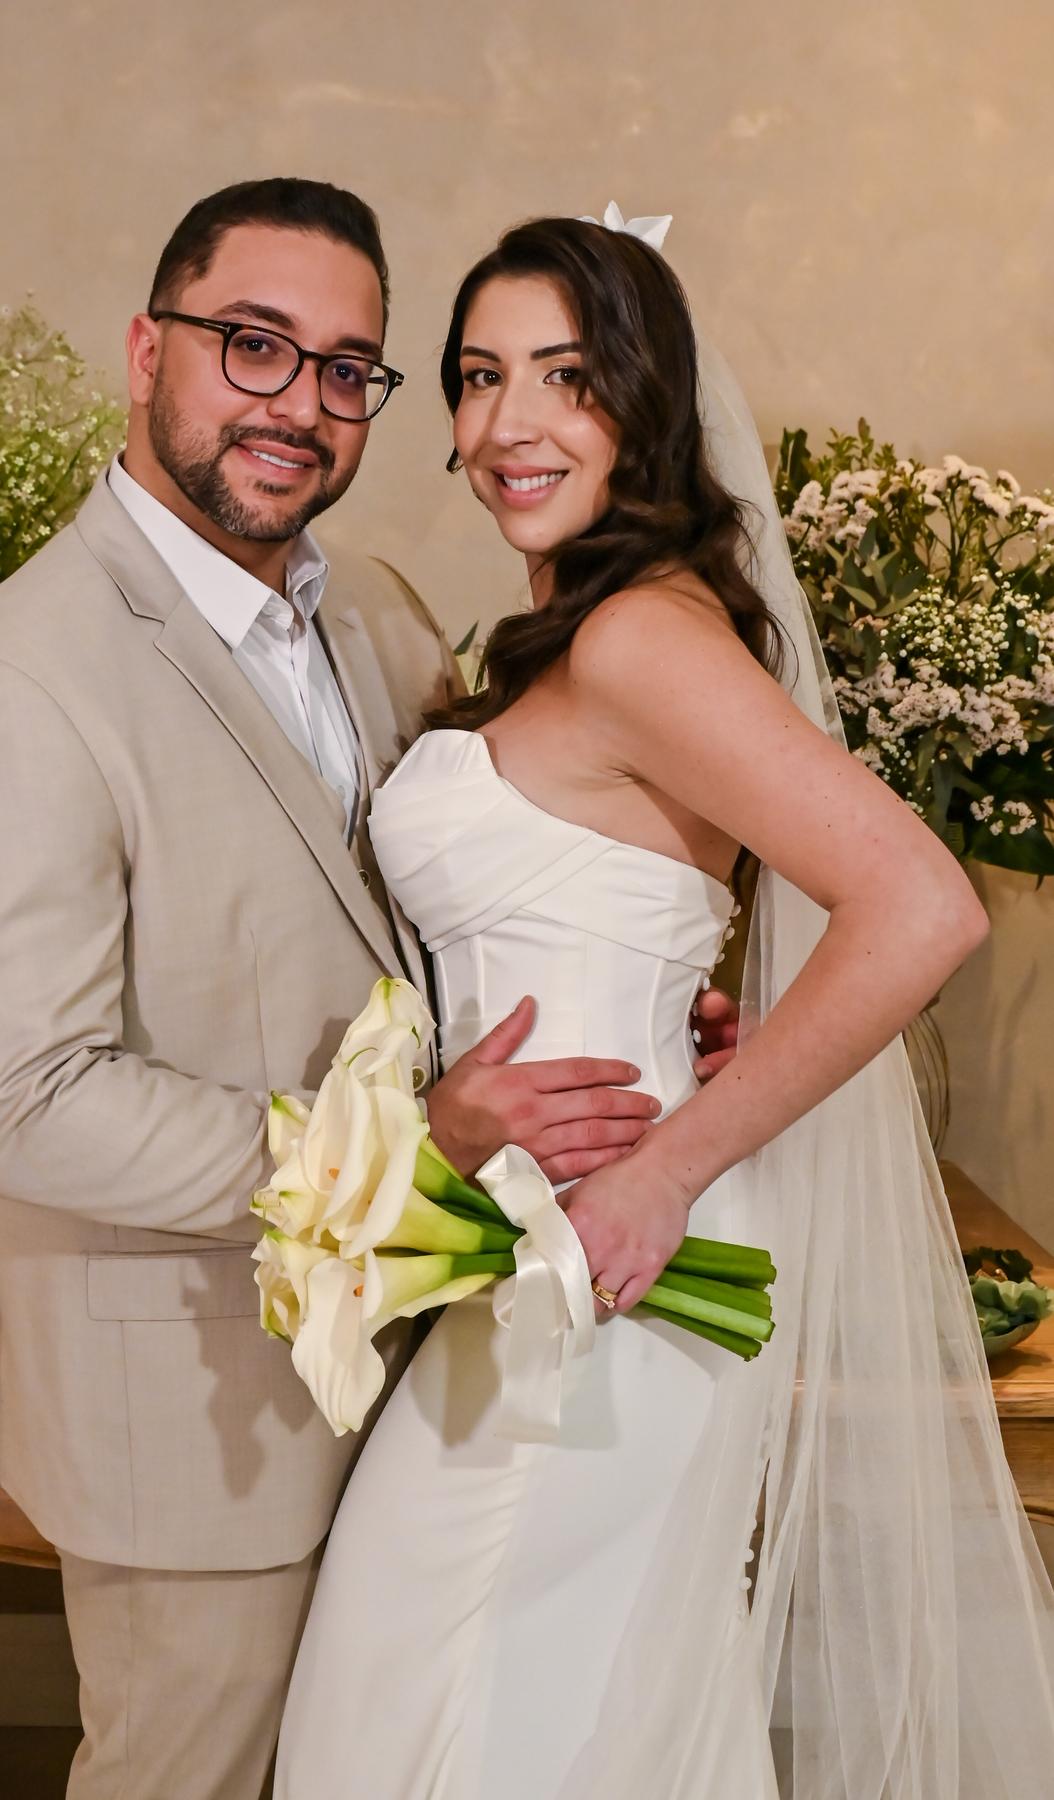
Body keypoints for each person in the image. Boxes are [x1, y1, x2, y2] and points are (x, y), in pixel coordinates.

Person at [0, 180, 738, 1800]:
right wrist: (408, 1151)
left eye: (349, 369)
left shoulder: (381, 616)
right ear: (148, 350)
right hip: (201, 1423)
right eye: (253, 345)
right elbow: (26, 1106)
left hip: (437, 1366)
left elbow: (446, 909)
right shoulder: (13, 682)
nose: (299, 403)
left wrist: (625, 992)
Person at [274, 214, 1054, 1799]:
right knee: (540, 1722)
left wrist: (669, 1164)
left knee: (433, 1721)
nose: (509, 423)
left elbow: (923, 905)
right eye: (478, 375)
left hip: (611, 1276)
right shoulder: (579, 633)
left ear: (646, 401)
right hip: (529, 1265)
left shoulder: (638, 636)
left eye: (566, 377)